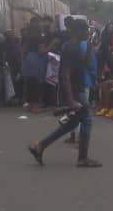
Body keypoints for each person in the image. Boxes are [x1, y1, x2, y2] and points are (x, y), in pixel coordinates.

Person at [27, 19, 101, 168]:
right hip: (76, 89)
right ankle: (82, 158)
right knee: (86, 120)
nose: (88, 33)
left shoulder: (69, 45)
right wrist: (71, 100)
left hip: (76, 87)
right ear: (79, 31)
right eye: (86, 30)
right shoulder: (73, 48)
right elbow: (66, 74)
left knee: (73, 122)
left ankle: (40, 146)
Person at [21, 17, 49, 113]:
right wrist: (51, 46)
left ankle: (30, 105)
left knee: (29, 82)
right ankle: (35, 107)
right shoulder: (40, 37)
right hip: (36, 59)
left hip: (28, 58)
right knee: (37, 83)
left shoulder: (27, 36)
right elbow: (41, 51)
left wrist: (24, 60)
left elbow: (23, 50)